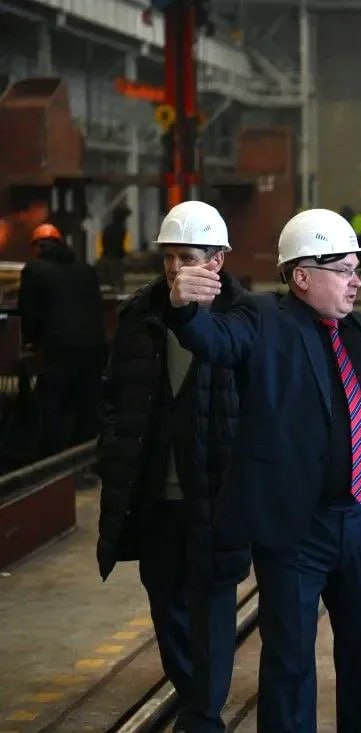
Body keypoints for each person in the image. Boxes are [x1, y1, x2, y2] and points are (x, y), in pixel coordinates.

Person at [165, 208, 361, 733]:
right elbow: (214, 340)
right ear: (302, 276)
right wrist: (185, 310)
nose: (356, 280)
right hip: (296, 530)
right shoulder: (263, 320)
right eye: (344, 269)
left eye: (357, 269)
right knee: (289, 660)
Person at [96, 201, 245, 732]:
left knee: (212, 607)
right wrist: (114, 452)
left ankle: (203, 715)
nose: (175, 269)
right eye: (168, 257)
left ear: (217, 260)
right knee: (166, 603)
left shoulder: (244, 318)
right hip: (156, 495)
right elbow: (115, 393)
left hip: (215, 494)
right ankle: (192, 692)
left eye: (188, 257)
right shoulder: (141, 315)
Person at [17, 223, 107, 459]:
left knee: (52, 405)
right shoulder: (86, 269)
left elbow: (29, 310)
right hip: (95, 346)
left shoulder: (34, 270)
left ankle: (52, 462)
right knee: (86, 406)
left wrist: (30, 341)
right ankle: (85, 460)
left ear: (38, 247)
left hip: (59, 348)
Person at [98, 204, 130, 292]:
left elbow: (104, 243)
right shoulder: (121, 230)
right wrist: (125, 254)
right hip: (116, 260)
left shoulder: (107, 229)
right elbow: (120, 246)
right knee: (118, 287)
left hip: (105, 258)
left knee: (107, 286)